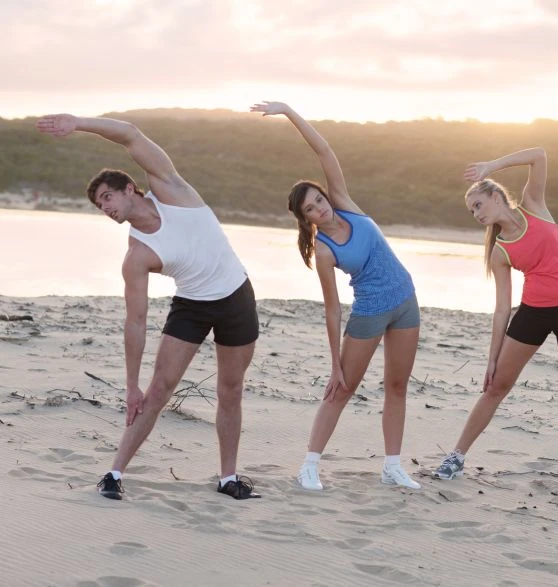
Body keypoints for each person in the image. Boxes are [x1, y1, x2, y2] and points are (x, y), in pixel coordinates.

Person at [36, 114, 261, 500]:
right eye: (98, 205)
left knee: (230, 389)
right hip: (191, 305)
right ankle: (113, 473)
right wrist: (130, 385)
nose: (104, 207)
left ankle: (228, 479)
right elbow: (136, 322)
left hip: (236, 296)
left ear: (129, 188)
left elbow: (131, 134)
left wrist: (77, 123)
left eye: (107, 197)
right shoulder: (137, 255)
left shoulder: (172, 190)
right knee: (158, 391)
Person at [250, 101, 421, 491]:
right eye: (311, 209)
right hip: (370, 313)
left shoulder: (346, 205)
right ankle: (309, 465)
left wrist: (289, 112)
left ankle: (392, 466)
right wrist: (333, 363)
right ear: (306, 218)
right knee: (341, 390)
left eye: (319, 200)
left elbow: (324, 151)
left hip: (406, 302)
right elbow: (331, 309)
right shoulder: (324, 250)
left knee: (397, 387)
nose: (320, 209)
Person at [432, 147, 558, 502]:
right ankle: (456, 456)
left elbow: (539, 155)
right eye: (471, 210)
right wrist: (492, 359)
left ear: (496, 196)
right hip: (533, 314)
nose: (475, 214)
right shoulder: (500, 251)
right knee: (496, 387)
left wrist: (492, 164)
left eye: (478, 205)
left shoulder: (533, 205)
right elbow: (501, 309)